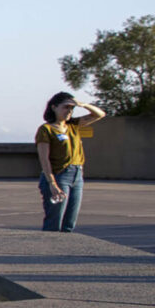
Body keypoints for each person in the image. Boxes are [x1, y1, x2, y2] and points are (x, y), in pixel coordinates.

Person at [35, 92, 106, 233]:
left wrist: (83, 104)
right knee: (55, 219)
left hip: (77, 174)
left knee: (70, 221)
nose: (69, 111)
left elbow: (100, 114)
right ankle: (48, 249)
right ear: (54, 107)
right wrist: (52, 183)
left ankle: (66, 251)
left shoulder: (73, 125)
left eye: (72, 108)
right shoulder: (46, 129)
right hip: (59, 175)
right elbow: (44, 158)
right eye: (66, 107)